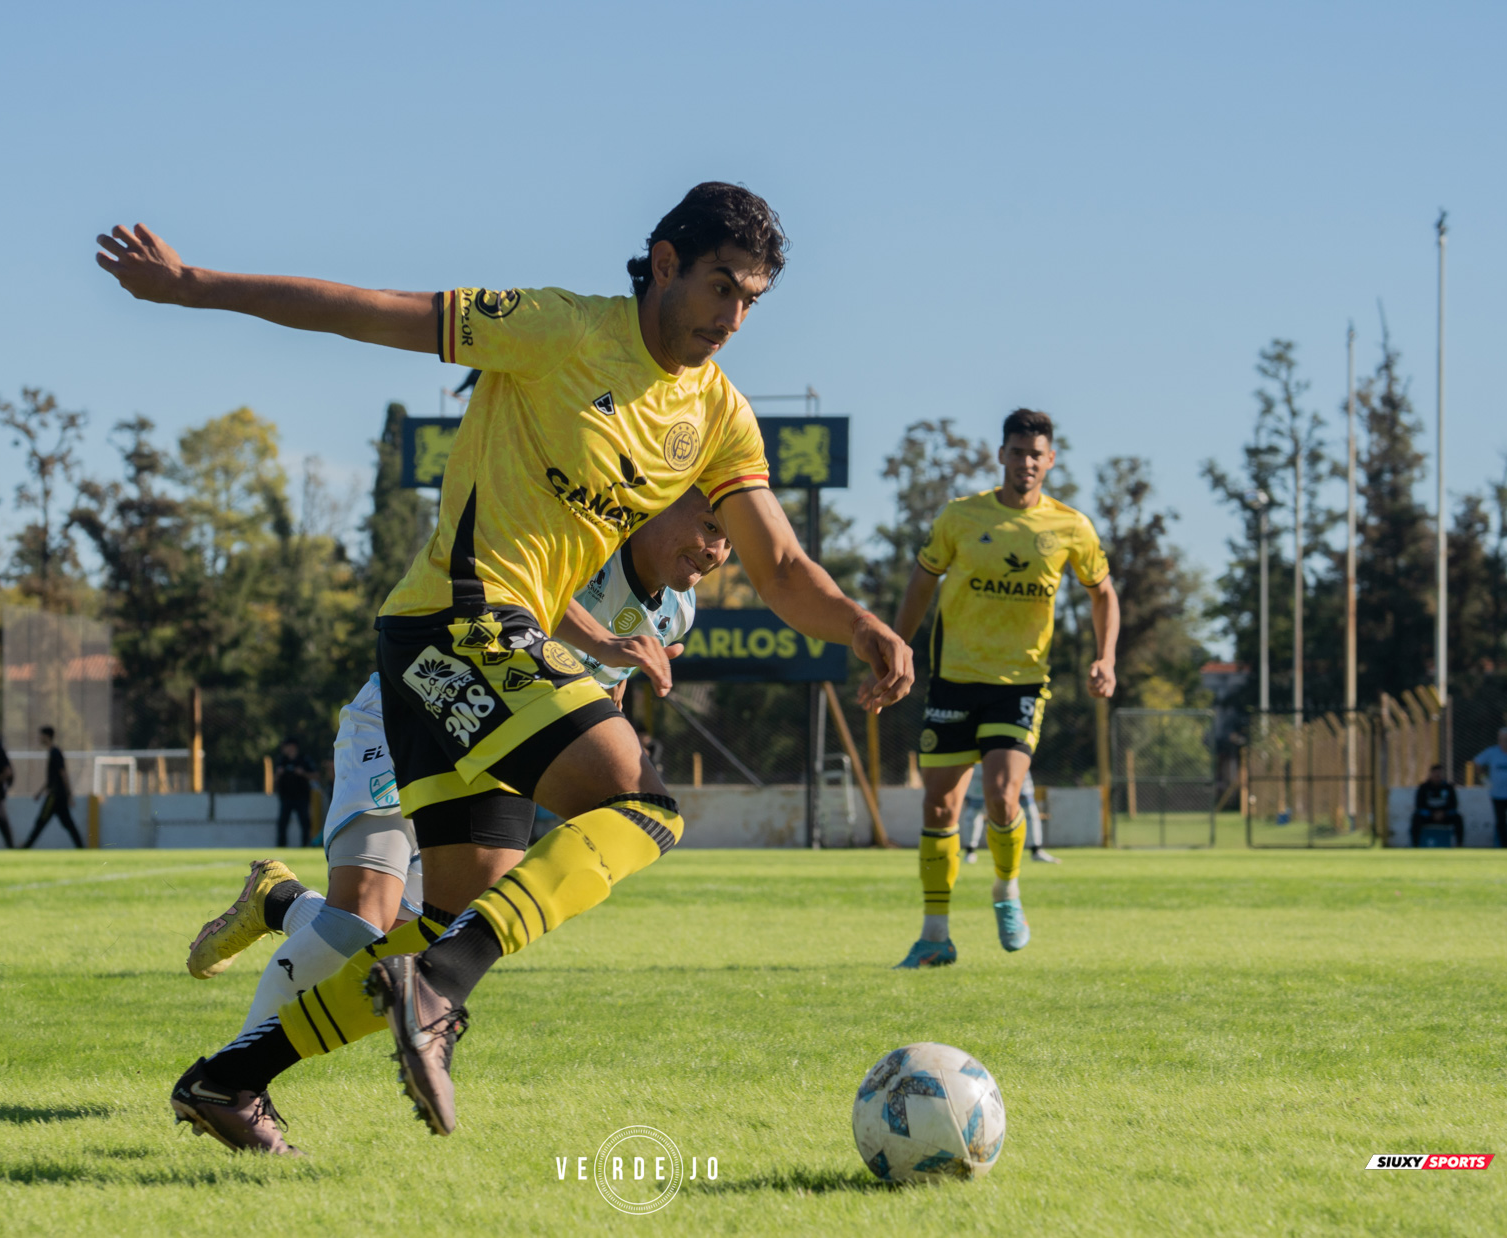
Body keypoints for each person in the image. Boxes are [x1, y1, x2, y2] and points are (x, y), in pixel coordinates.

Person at [100, 181, 912, 1148]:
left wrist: (862, 623)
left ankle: (230, 1082)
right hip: (460, 622)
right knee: (642, 805)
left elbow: (779, 564)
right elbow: (367, 312)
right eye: (721, 288)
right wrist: (194, 286)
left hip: (478, 649)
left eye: (752, 301)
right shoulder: (556, 329)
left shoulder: (721, 415)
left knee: (447, 917)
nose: (733, 318)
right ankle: (436, 997)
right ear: (663, 264)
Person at [180, 489, 725, 1151]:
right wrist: (608, 644)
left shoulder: (678, 612)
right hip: (413, 702)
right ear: (659, 505)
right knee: (360, 915)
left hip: (502, 735)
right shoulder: (587, 543)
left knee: (431, 936)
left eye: (729, 539)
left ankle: (281, 914)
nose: (717, 550)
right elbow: (531, 600)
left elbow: (604, 689)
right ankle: (237, 1076)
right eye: (709, 524)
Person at [884, 409, 1119, 970]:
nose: (1027, 462)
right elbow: (922, 580)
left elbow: (1103, 592)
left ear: (1051, 460)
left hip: (1021, 683)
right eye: (1017, 452)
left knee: (1002, 795)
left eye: (1036, 454)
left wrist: (1106, 656)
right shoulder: (961, 518)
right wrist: (897, 646)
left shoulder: (1071, 527)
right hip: (954, 679)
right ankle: (935, 934)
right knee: (938, 804)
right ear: (1002, 456)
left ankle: (1006, 889)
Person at [962, 765, 1057, 864]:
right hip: (983, 764)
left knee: (1028, 806)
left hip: (1015, 762)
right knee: (974, 808)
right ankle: (970, 851)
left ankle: (1036, 850)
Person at [22, 726, 84, 848]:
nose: (39, 738)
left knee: (41, 821)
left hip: (55, 795)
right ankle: (81, 847)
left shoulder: (55, 752)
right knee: (67, 822)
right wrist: (40, 792)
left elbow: (63, 773)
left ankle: (26, 846)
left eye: (41, 735)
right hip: (56, 794)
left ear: (47, 736)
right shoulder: (52, 752)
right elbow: (52, 778)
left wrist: (69, 794)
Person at [1473, 729, 1507, 849]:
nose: (1506, 743)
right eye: (1503, 740)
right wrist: (1484, 778)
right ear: (1499, 740)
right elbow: (1477, 762)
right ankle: (1504, 847)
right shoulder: (1492, 752)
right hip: (1498, 794)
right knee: (1501, 822)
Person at [273, 738, 316, 849]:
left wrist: (303, 773)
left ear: (293, 747)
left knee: (304, 822)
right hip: (285, 797)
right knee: (282, 823)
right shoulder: (281, 760)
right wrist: (278, 774)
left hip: (301, 797)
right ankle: (281, 846)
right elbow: (274, 779)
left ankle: (305, 845)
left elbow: (315, 775)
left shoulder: (304, 759)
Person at [1411, 764, 1462, 847]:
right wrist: (1432, 813)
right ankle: (1415, 844)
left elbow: (1454, 805)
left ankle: (1459, 844)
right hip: (1428, 816)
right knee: (1416, 818)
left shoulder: (1448, 787)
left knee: (1458, 818)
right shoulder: (1423, 787)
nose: (1437, 775)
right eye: (1435, 773)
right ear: (1431, 774)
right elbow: (1419, 805)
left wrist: (1443, 813)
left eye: (1439, 773)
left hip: (1445, 816)